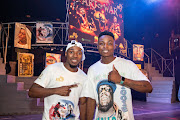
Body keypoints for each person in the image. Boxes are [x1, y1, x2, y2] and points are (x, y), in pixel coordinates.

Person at [81, 31, 153, 120]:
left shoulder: (127, 64)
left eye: (109, 43)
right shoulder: (92, 69)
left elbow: (148, 87)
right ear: (97, 46)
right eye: (101, 43)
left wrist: (121, 80)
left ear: (115, 46)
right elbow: (91, 100)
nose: (105, 46)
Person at [28, 40, 87, 120]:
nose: (75, 56)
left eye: (79, 53)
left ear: (82, 56)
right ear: (66, 53)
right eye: (71, 52)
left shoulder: (84, 77)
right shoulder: (52, 69)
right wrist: (56, 90)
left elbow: (83, 104)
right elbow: (32, 92)